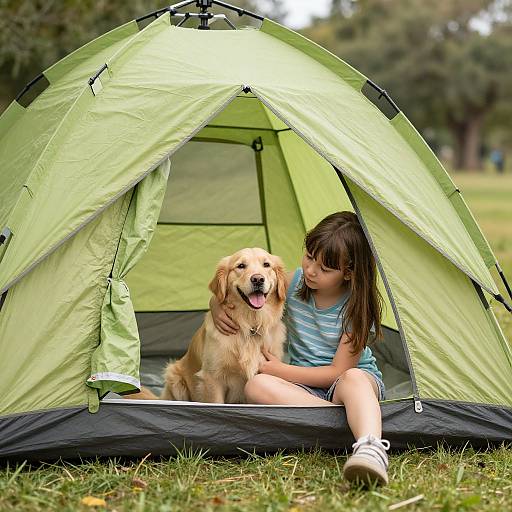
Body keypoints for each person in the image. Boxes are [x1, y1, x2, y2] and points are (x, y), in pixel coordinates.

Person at [211, 212, 390, 486]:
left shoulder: (356, 307)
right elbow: (242, 295)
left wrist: (280, 370)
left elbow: (338, 372)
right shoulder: (293, 284)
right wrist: (215, 307)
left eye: (325, 268)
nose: (310, 270)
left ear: (349, 273)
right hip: (306, 391)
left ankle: (370, 449)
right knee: (256, 386)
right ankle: (348, 423)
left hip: (348, 381)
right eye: (308, 256)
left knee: (352, 379)